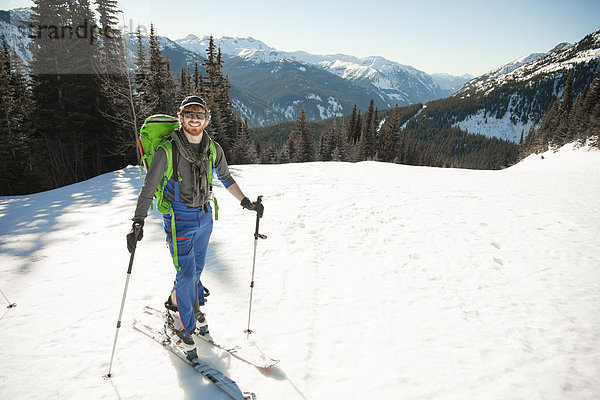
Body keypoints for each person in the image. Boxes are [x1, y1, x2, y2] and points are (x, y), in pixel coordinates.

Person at [126, 95, 263, 356]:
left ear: (207, 119)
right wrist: (138, 221)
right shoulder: (168, 149)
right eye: (189, 113)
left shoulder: (213, 148)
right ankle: (181, 324)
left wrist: (245, 201)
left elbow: (225, 177)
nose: (194, 118)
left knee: (196, 269)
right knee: (186, 272)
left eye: (200, 114)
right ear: (181, 117)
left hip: (204, 216)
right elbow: (149, 187)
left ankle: (182, 302)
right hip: (179, 218)